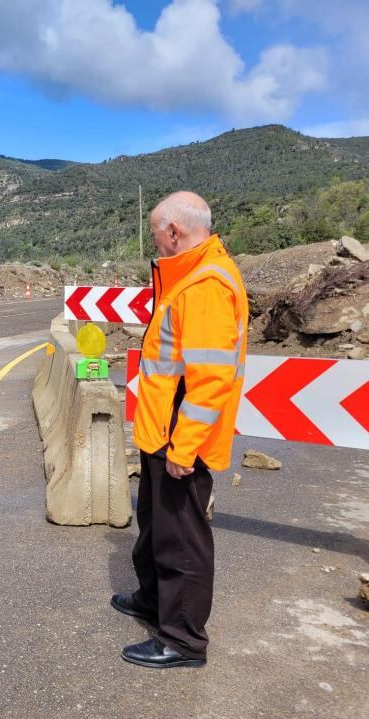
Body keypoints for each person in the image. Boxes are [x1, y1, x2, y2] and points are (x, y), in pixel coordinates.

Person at [112, 191, 249, 669]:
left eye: (155, 232)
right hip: (161, 430)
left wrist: (183, 446)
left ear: (174, 231)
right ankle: (154, 601)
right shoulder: (189, 276)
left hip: (180, 437)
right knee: (156, 527)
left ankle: (183, 639)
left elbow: (210, 381)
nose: (154, 240)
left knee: (182, 540)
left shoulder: (206, 285)